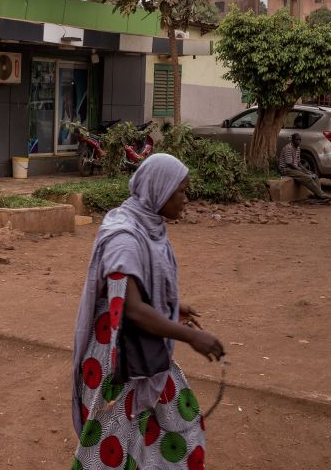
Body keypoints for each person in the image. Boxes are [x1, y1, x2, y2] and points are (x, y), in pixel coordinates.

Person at [71, 153, 224, 469]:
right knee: (108, 449)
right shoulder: (124, 237)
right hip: (119, 362)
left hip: (145, 354)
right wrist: (191, 337)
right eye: (181, 191)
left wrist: (171, 306)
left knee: (168, 428)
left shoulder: (147, 225)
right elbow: (133, 310)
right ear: (159, 190)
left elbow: (139, 290)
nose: (186, 199)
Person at [277, 134, 331, 201]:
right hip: (286, 169)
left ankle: (317, 195)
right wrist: (301, 171)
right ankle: (322, 195)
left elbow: (299, 163)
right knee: (307, 178)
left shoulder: (298, 149)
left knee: (314, 176)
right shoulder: (288, 148)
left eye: (299, 140)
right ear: (292, 140)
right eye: (297, 140)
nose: (298, 141)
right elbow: (289, 164)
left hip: (294, 169)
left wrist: (306, 171)